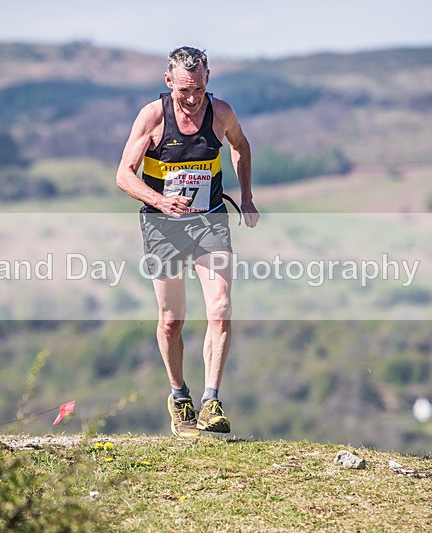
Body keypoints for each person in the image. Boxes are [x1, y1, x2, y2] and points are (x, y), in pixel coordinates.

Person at [116, 46, 259, 437]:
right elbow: (124, 175)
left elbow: (241, 147)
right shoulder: (152, 117)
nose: (192, 99)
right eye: (183, 91)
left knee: (221, 307)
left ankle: (212, 401)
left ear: (208, 79)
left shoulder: (222, 113)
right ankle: (180, 396)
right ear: (168, 83)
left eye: (198, 89)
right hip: (163, 226)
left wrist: (246, 197)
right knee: (171, 320)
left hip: (210, 219)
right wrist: (160, 201)